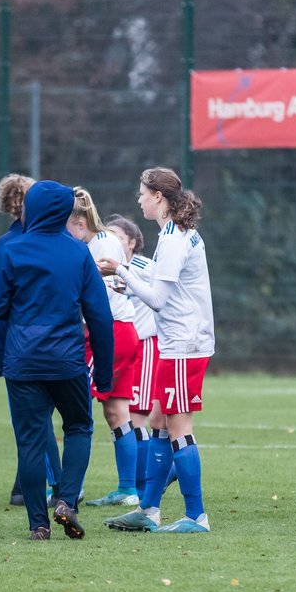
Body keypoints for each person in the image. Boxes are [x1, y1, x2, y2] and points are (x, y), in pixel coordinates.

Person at [0, 180, 114, 540]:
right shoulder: (77, 253)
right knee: (78, 427)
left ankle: (38, 524)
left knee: (30, 440)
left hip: (22, 360)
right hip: (67, 360)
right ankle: (66, 500)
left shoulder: (11, 249)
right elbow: (100, 315)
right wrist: (104, 373)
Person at [99, 167, 215, 534]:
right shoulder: (174, 233)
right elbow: (165, 287)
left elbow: (160, 301)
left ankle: (196, 517)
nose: (139, 200)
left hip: (183, 343)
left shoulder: (175, 238)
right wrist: (127, 281)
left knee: (179, 428)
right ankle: (148, 510)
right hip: (179, 341)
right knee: (158, 422)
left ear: (158, 198)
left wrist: (123, 271)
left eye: (142, 193)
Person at [0, 174, 63, 508]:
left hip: (19, 349)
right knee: (38, 420)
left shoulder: (8, 244)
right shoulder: (14, 246)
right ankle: (58, 484)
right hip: (40, 349)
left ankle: (23, 487)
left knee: (32, 421)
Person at [66, 191, 142, 507]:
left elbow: (99, 294)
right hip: (120, 330)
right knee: (116, 411)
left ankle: (71, 487)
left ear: (80, 223)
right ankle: (129, 489)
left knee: (77, 409)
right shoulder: (98, 243)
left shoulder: (102, 245)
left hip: (108, 331)